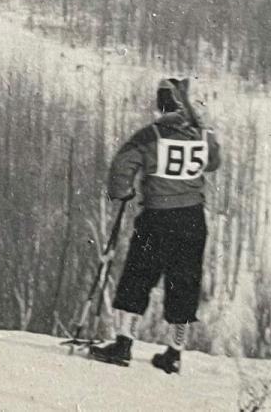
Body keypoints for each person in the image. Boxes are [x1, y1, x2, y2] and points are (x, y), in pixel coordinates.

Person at [88, 77, 221, 374]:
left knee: (138, 276)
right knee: (185, 283)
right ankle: (174, 353)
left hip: (157, 218)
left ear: (161, 105)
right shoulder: (202, 135)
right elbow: (213, 162)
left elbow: (123, 162)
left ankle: (123, 344)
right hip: (193, 219)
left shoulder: (151, 135)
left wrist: (122, 191)